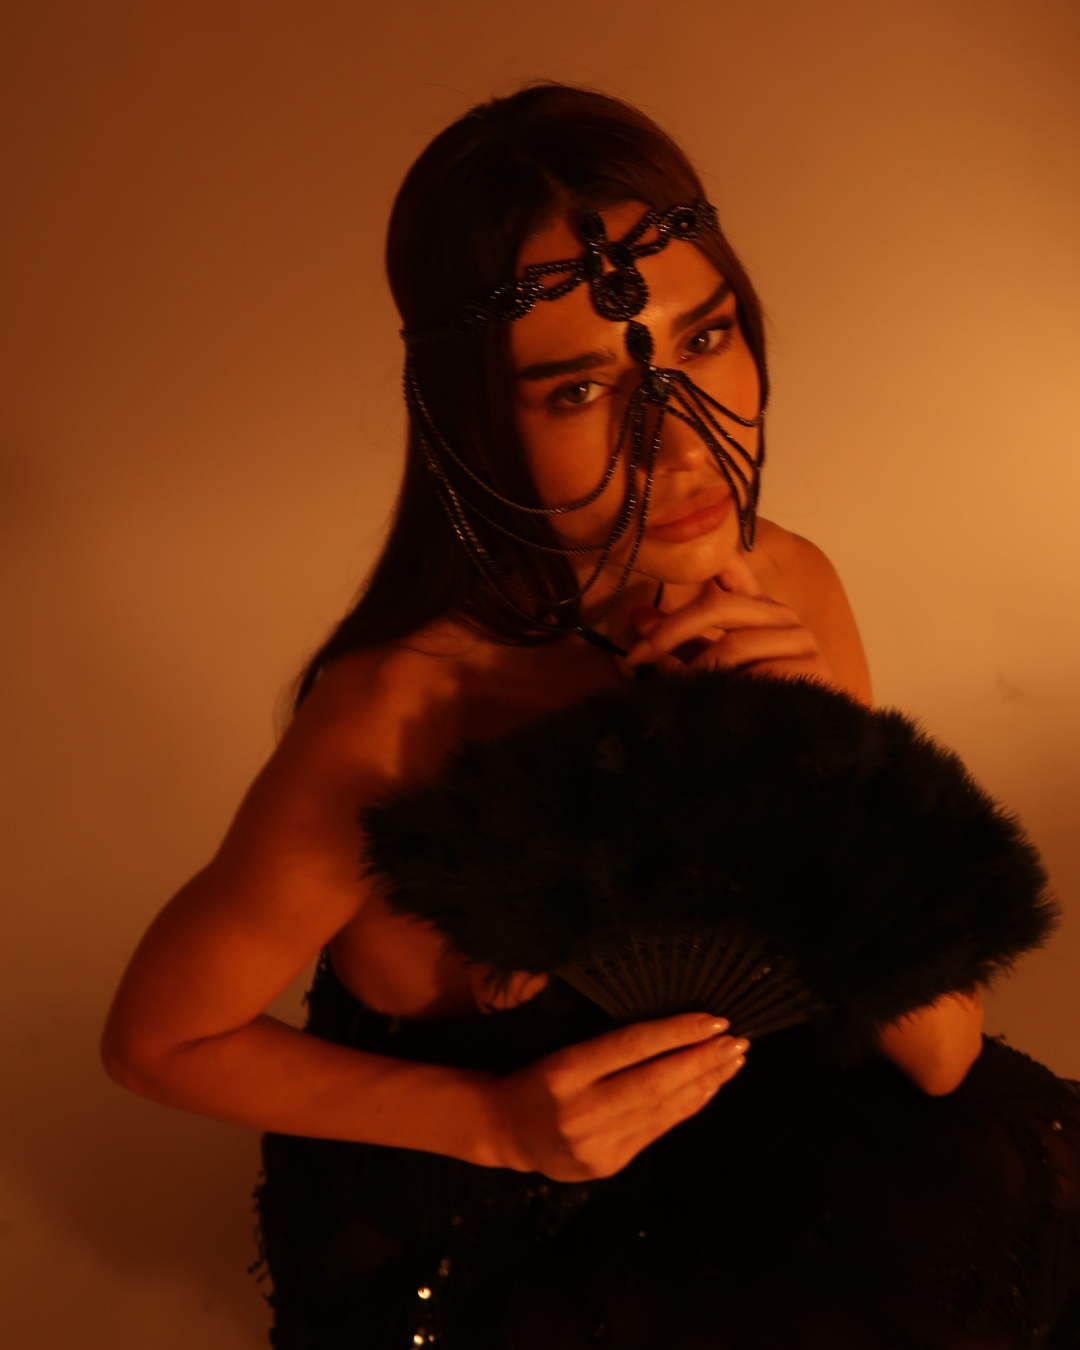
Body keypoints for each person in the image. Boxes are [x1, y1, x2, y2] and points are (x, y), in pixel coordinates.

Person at [101, 85, 1080, 1348]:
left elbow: (942, 1057)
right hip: (486, 1211)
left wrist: (823, 768)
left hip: (747, 1121)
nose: (678, 450)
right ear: (476, 422)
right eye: (576, 393)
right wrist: (500, 1125)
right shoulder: (397, 721)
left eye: (708, 336)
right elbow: (157, 1042)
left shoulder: (785, 585)